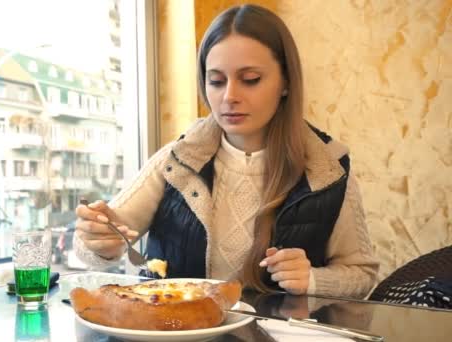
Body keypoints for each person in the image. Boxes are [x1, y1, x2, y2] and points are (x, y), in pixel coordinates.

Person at [73, 4, 379, 298]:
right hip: (178, 330)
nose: (229, 96)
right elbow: (96, 245)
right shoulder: (176, 160)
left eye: (250, 80)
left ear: (286, 82)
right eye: (216, 81)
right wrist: (100, 241)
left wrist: (313, 279)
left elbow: (362, 275)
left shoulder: (328, 169)